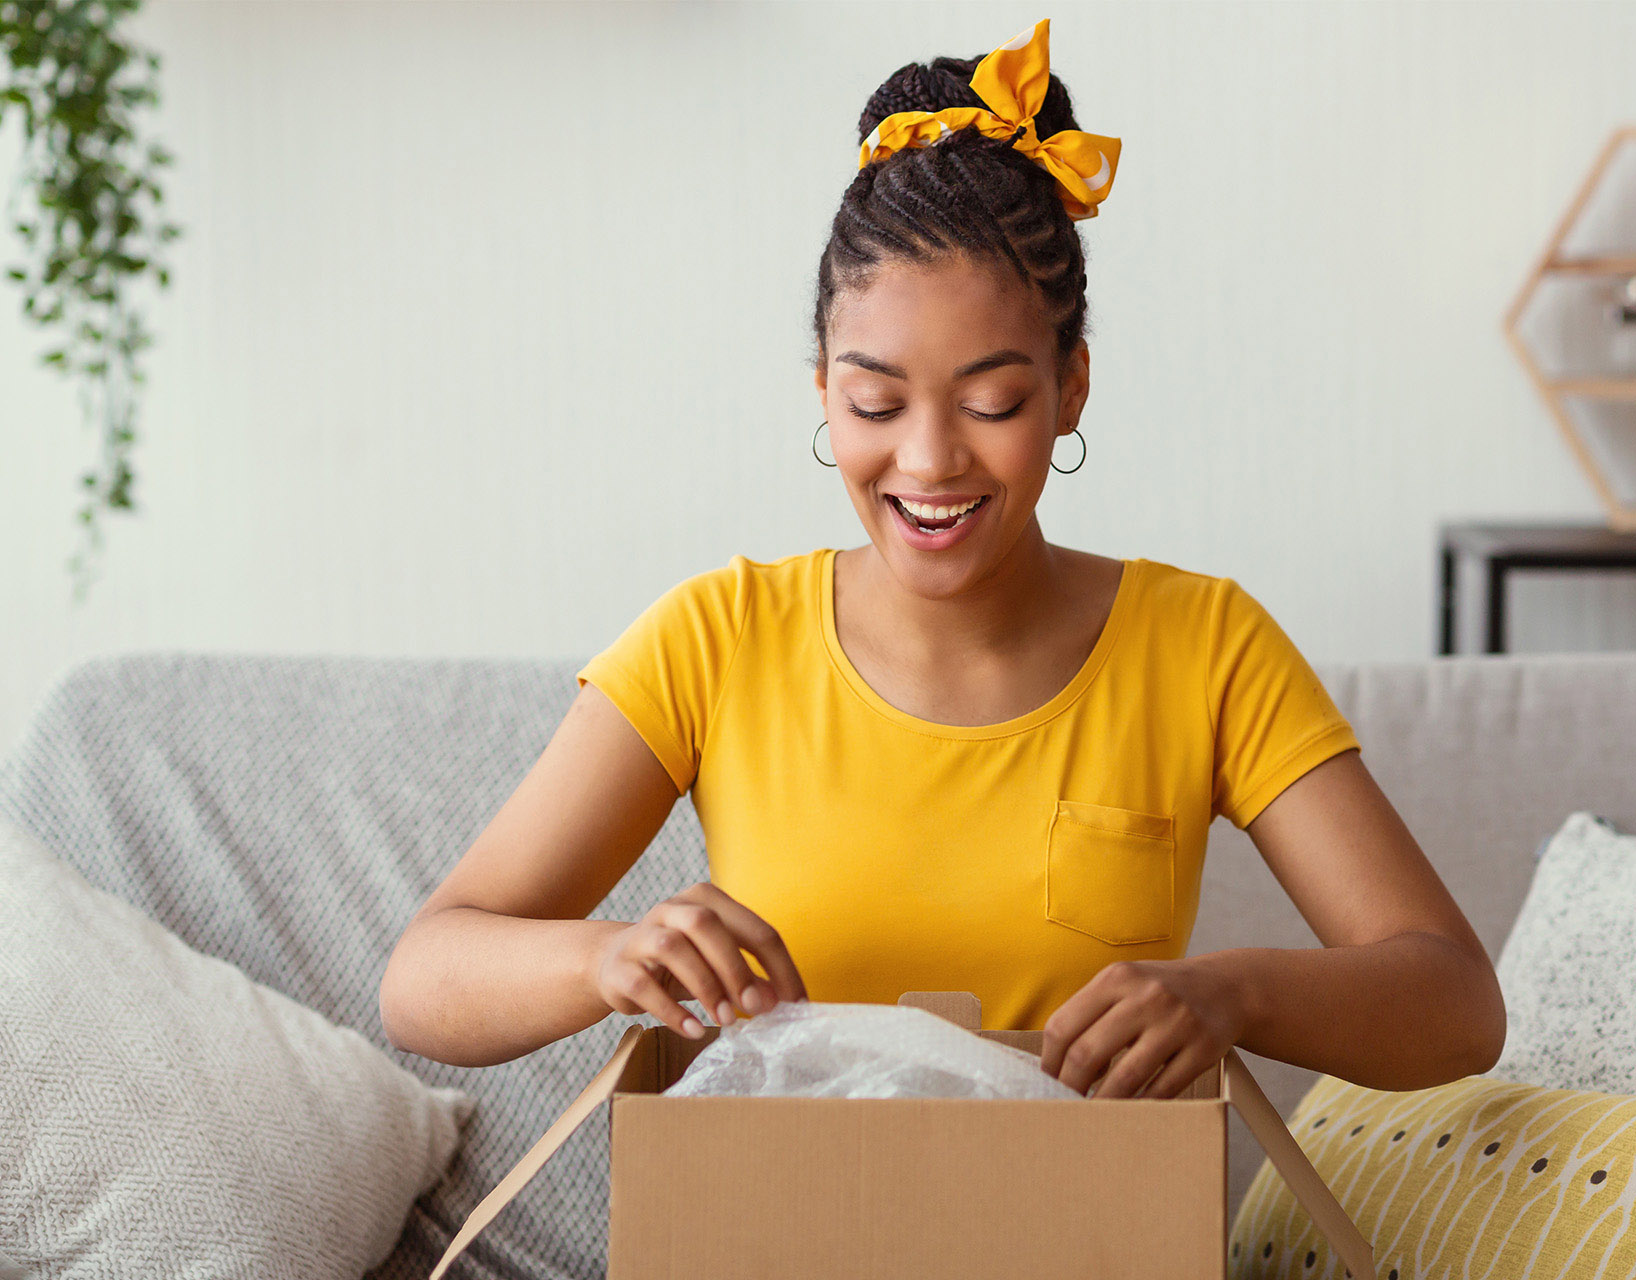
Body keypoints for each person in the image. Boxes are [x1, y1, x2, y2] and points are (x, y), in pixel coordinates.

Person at [380, 20, 1505, 1102]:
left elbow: (1457, 1003)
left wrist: (1236, 990)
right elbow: (424, 977)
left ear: (1070, 390)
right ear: (823, 389)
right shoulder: (716, 637)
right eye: (876, 400)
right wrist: (608, 958)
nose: (928, 459)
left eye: (992, 400)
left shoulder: (1206, 645)